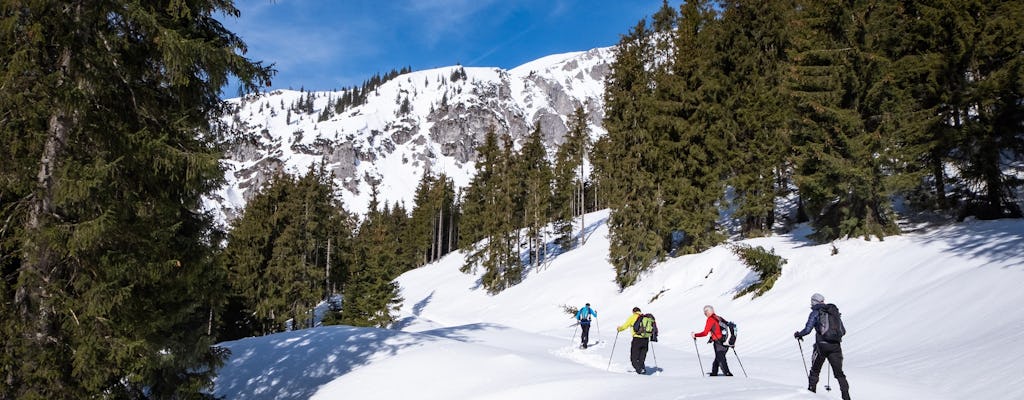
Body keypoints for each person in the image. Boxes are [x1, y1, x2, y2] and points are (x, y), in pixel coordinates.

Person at [794, 293, 851, 400]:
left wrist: (798, 334)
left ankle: (811, 394)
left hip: (821, 346)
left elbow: (807, 330)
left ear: (814, 301)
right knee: (839, 374)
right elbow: (843, 331)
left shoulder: (815, 313)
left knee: (815, 370)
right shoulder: (834, 312)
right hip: (835, 346)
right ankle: (846, 397)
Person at [691, 305, 733, 376]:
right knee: (718, 357)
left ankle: (728, 374)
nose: (705, 314)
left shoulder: (710, 319)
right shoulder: (719, 318)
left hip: (718, 343)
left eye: (705, 312)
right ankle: (714, 372)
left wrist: (695, 335)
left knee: (721, 359)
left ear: (707, 312)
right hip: (725, 342)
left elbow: (705, 333)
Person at [617, 307, 650, 374]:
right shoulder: (646, 318)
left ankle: (639, 370)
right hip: (646, 339)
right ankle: (642, 369)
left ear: (633, 312)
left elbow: (625, 326)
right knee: (641, 357)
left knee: (634, 358)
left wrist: (619, 329)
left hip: (637, 339)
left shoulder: (632, 317)